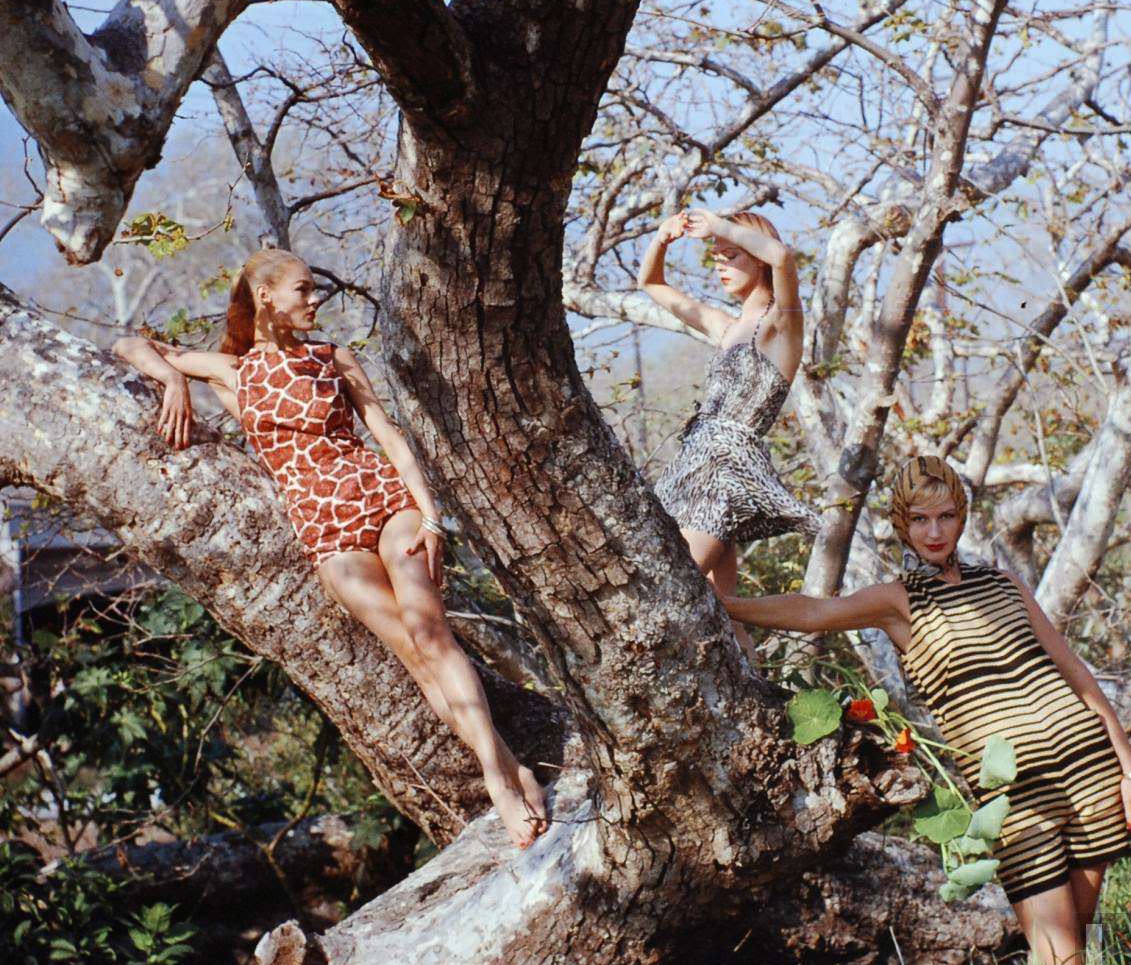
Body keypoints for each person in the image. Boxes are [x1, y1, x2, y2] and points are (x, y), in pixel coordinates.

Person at [113, 248, 547, 848]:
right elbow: (130, 346)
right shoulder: (230, 371)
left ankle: (499, 786)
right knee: (413, 654)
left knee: (431, 633)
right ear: (265, 295)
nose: (316, 300)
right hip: (325, 528)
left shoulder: (332, 358)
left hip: (384, 499)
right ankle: (510, 767)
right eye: (304, 289)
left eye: (316, 291)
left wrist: (431, 515)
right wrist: (171, 380)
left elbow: (389, 436)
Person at [723, 455, 1131, 965]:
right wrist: (726, 603)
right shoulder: (899, 601)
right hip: (1015, 796)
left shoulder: (1004, 584)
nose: (934, 531)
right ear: (902, 523)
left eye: (946, 516)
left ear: (962, 517)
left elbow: (1077, 675)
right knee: (1062, 964)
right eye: (920, 519)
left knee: (1078, 948)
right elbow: (814, 611)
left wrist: (1130, 769)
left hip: (1089, 771)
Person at [638, 208, 820, 661]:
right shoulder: (727, 326)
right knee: (723, 610)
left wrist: (718, 225)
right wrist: (662, 239)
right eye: (715, 257)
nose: (720, 263)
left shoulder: (781, 322)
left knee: (672, 584)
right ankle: (751, 683)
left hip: (727, 468)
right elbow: (651, 285)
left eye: (731, 255)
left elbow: (781, 256)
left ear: (754, 259)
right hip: (693, 461)